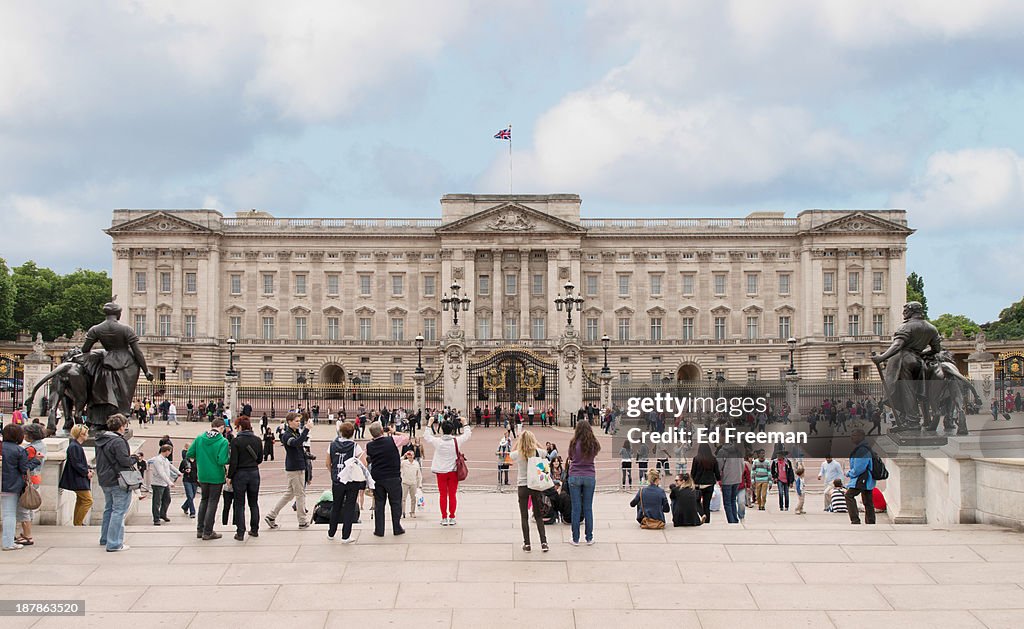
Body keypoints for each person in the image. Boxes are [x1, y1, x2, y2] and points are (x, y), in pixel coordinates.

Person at [94, 414, 136, 552]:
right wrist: (135, 458)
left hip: (104, 478)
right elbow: (124, 461)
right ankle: (114, 543)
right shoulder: (118, 441)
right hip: (118, 479)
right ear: (121, 426)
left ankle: (105, 538)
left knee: (109, 509)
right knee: (118, 511)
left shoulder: (101, 439)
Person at [265, 412, 312, 530]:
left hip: (297, 465)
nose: (298, 422)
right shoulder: (287, 435)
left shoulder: (295, 433)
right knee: (300, 494)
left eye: (298, 421)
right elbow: (296, 443)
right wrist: (307, 430)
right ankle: (302, 520)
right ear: (289, 422)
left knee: (290, 494)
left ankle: (271, 515)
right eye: (296, 421)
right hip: (295, 467)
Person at [423, 415, 472, 526]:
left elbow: (426, 436)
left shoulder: (438, 442)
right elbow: (467, 434)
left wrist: (429, 423)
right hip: (453, 472)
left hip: (441, 472)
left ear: (442, 430)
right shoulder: (456, 441)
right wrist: (465, 423)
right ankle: (452, 517)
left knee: (443, 495)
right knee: (452, 495)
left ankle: (444, 517)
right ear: (452, 430)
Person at [186, 417, 231, 540]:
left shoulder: (200, 438)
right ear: (221, 428)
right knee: (212, 502)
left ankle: (200, 529)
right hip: (216, 475)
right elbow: (222, 460)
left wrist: (199, 459)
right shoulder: (223, 441)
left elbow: (189, 453)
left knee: (204, 500)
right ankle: (208, 531)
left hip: (203, 474)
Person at [365, 421, 408, 537]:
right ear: (382, 431)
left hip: (378, 477)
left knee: (379, 504)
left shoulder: (369, 445)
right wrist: (394, 432)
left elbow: (369, 458)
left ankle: (379, 530)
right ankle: (397, 527)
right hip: (393, 476)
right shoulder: (392, 440)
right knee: (395, 503)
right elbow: (406, 438)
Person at [327, 421, 368, 542]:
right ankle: (346, 535)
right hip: (351, 480)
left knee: (336, 506)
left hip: (337, 479)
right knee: (349, 507)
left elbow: (327, 463)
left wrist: (334, 473)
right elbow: (364, 463)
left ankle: (331, 532)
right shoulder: (355, 446)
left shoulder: (332, 445)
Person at [509, 430, 549, 552]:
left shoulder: (519, 454)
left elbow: (510, 455)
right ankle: (544, 542)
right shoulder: (537, 452)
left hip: (522, 486)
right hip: (535, 485)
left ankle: (527, 544)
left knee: (524, 517)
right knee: (538, 516)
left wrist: (518, 441)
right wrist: (535, 442)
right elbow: (545, 451)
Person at [228, 416, 264, 540]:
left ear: (241, 427)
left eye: (237, 427)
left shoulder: (236, 441)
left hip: (240, 474)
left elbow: (234, 462)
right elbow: (259, 459)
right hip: (254, 473)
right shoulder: (258, 440)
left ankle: (240, 532)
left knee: (239, 504)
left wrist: (229, 476)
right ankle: (254, 529)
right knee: (253, 503)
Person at [566, 420, 601, 546]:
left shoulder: (574, 443)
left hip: (575, 475)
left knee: (576, 508)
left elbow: (570, 457)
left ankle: (575, 538)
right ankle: (589, 537)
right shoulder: (593, 443)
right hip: (589, 475)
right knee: (588, 508)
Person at [17, 423, 47, 545]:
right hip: (36, 478)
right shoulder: (42, 446)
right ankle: (26, 533)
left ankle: (27, 534)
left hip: (28, 479)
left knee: (23, 507)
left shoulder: (30, 449)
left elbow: (24, 466)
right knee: (28, 507)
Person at [2, 424, 30, 550]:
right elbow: (24, 469)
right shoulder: (19, 450)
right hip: (10, 486)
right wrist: (36, 460)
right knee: (9, 514)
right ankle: (8, 543)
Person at [60, 423, 94, 526]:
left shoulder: (75, 446)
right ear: (81, 434)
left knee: (81, 501)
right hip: (77, 478)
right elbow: (76, 463)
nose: (87, 435)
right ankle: (78, 523)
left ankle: (77, 522)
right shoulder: (74, 447)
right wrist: (86, 472)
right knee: (88, 500)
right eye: (86, 433)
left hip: (78, 477)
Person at [845, 429, 876, 524]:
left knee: (849, 495)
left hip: (862, 478)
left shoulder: (861, 450)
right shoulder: (865, 447)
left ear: (861, 437)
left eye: (854, 435)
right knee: (867, 500)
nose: (852, 437)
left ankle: (855, 520)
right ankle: (870, 521)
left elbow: (859, 468)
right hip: (868, 479)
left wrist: (849, 473)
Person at [148, 444, 179, 525]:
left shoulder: (165, 459)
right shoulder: (158, 460)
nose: (170, 453)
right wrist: (170, 482)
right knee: (157, 502)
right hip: (158, 483)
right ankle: (156, 518)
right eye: (170, 451)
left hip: (164, 484)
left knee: (167, 499)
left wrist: (178, 472)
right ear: (167, 451)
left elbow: (170, 466)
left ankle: (162, 514)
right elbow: (161, 473)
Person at [690, 443, 721, 522]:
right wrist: (718, 479)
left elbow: (693, 472)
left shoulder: (696, 459)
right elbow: (717, 472)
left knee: (696, 502)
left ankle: (701, 515)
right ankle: (707, 521)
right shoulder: (713, 459)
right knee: (706, 505)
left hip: (698, 484)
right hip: (709, 484)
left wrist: (691, 482)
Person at [716, 441, 744, 524]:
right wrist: (739, 475)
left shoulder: (722, 452)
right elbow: (742, 465)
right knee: (732, 500)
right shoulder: (738, 451)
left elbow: (719, 466)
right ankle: (735, 519)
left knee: (727, 502)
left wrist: (718, 476)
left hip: (727, 479)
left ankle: (731, 520)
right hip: (737, 479)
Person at [401, 450, 422, 518]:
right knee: (403, 498)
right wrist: (404, 456)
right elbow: (397, 462)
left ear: (413, 456)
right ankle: (402, 512)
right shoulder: (404, 462)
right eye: (409, 455)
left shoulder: (416, 463)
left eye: (411, 455)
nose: (410, 456)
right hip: (405, 482)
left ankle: (412, 512)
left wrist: (420, 484)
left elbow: (419, 474)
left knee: (413, 498)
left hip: (413, 482)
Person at [179, 447, 198, 518]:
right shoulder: (185, 461)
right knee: (190, 495)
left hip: (195, 480)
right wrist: (185, 471)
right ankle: (192, 512)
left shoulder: (197, 461)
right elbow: (180, 469)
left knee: (192, 496)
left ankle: (185, 506)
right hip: (187, 480)